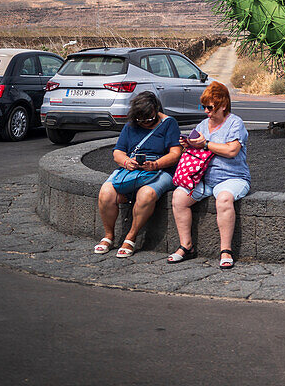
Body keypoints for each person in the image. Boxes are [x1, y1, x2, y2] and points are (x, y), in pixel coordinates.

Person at [168, 81, 250, 269]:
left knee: (223, 198)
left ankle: (226, 250)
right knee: (179, 197)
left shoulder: (235, 123)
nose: (206, 111)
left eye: (210, 107)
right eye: (203, 106)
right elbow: (197, 149)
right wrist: (188, 145)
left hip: (233, 177)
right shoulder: (203, 125)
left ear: (223, 105)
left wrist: (205, 145)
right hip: (203, 178)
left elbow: (231, 151)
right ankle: (186, 246)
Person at [94, 91, 181, 258]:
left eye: (148, 120)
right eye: (140, 121)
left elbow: (176, 153)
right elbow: (118, 152)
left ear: (156, 110)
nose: (145, 124)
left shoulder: (169, 124)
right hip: (132, 168)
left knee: (146, 193)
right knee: (106, 192)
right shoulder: (131, 125)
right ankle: (108, 235)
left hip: (161, 169)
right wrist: (127, 162)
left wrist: (155, 164)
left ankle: (131, 237)